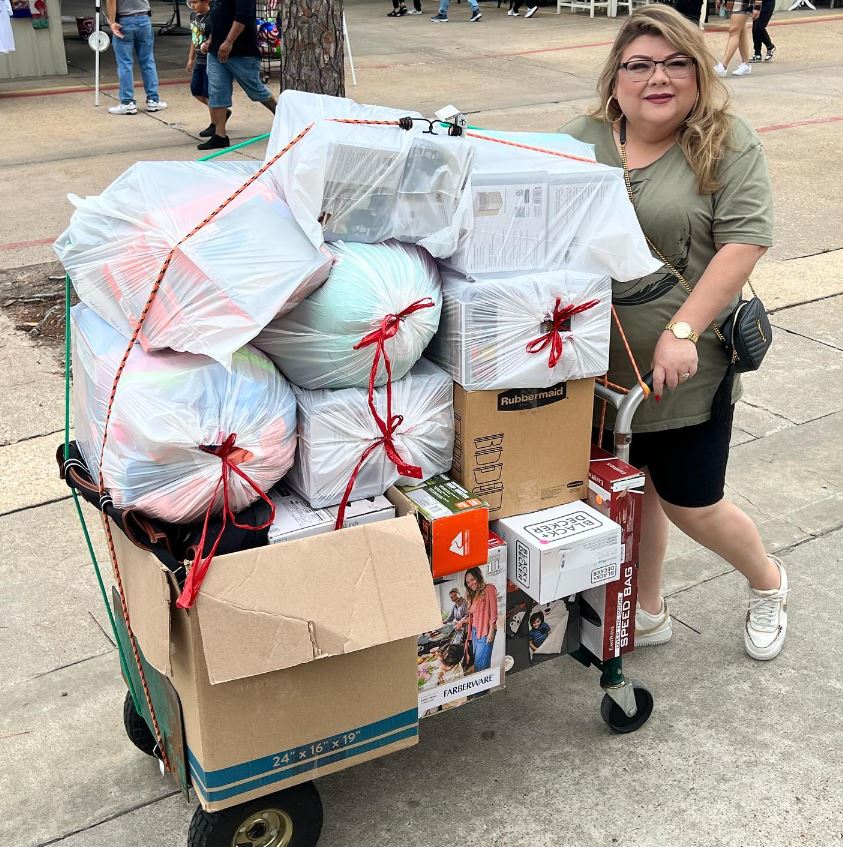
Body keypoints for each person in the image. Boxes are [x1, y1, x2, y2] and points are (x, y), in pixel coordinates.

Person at [562, 5, 789, 662]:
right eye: (639, 64)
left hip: (685, 363)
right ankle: (647, 608)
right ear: (615, 77)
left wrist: (683, 329)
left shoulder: (725, 140)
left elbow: (743, 242)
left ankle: (768, 581)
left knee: (691, 501)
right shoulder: (582, 137)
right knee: (632, 488)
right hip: (593, 364)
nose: (656, 78)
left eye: (673, 63)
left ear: (697, 71)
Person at [199, 0, 277, 151]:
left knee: (254, 89)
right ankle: (220, 135)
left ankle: (281, 114)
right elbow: (217, 16)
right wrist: (210, 40)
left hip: (241, 51)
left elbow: (243, 16)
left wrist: (229, 41)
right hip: (216, 50)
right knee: (217, 90)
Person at [106, 0, 167, 115]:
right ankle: (153, 99)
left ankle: (127, 102)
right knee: (147, 60)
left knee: (125, 63)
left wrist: (112, 22)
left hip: (124, 19)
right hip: (144, 17)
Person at [187, 0, 232, 138]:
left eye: (195, 2)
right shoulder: (193, 16)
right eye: (190, 3)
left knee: (209, 93)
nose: (193, 6)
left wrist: (209, 44)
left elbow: (217, 35)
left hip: (210, 59)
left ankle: (215, 123)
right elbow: (194, 38)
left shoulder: (212, 16)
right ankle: (222, 112)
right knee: (196, 90)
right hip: (199, 60)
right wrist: (190, 58)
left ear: (206, 1)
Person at [464, 567, 498, 672]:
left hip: (485, 631)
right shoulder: (473, 594)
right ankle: (484, 686)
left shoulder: (489, 588)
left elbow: (493, 612)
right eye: (468, 582)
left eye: (472, 579)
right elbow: (473, 616)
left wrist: (491, 631)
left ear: (478, 577)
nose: (471, 583)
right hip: (474, 632)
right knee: (480, 661)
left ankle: (483, 688)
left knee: (480, 662)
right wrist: (462, 622)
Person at [713, 0, 753, 77]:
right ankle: (746, 64)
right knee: (740, 28)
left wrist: (757, 6)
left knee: (734, 31)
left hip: (745, 3)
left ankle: (723, 66)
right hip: (735, 3)